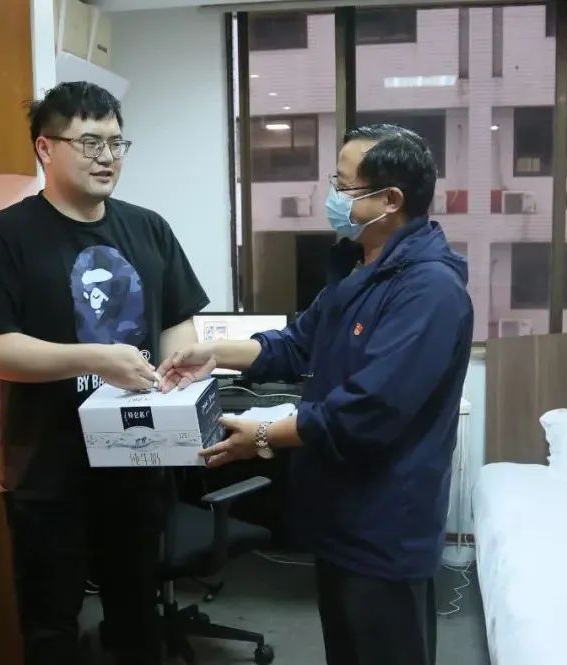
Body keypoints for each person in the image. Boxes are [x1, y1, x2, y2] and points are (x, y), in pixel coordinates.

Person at [159, 124, 474, 665]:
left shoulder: (429, 290)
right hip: (340, 515)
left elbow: (368, 410)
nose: (331, 196)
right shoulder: (360, 268)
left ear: (390, 200)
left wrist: (263, 434)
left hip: (385, 527)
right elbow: (296, 343)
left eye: (343, 186)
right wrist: (214, 354)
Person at [0, 81, 209, 665]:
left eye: (117, 143)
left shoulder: (148, 227)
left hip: (137, 462)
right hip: (48, 473)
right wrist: (93, 358)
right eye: (90, 143)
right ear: (45, 148)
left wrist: (178, 363)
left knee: (137, 619)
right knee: (51, 628)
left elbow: (177, 318)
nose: (107, 157)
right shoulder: (2, 237)